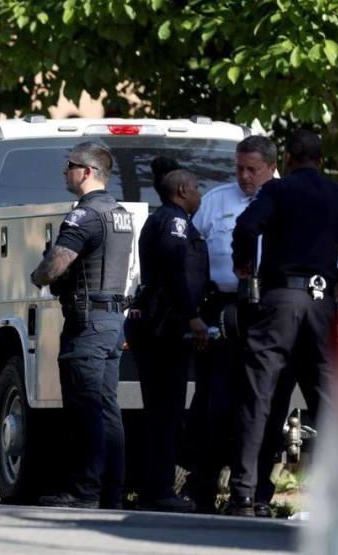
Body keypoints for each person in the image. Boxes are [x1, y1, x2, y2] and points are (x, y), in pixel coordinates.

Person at [226, 130, 338, 516]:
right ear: (320, 159)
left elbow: (246, 228)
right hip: (322, 302)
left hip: (280, 302)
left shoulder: (279, 192)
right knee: (327, 401)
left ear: (288, 159)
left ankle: (245, 493)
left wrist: (243, 265)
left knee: (259, 396)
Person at [183, 135, 294, 516]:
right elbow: (192, 253)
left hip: (273, 310)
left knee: (267, 404)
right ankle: (203, 488)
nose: (244, 177)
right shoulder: (216, 201)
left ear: (272, 166)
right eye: (239, 168)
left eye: (253, 169)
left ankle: (256, 493)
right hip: (226, 309)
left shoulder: (288, 199)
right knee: (216, 403)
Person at [30, 141, 133, 509]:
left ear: (87, 171)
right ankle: (111, 492)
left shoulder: (84, 216)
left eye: (69, 165)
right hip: (110, 322)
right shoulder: (119, 213)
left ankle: (82, 492)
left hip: (86, 323)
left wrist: (38, 275)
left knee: (84, 409)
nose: (64, 171)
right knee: (107, 408)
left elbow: (55, 265)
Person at [128, 167, 208, 512]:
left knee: (163, 412)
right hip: (165, 328)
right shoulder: (173, 221)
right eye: (195, 187)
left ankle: (155, 488)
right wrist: (192, 315)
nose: (199, 193)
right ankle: (159, 491)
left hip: (163, 325)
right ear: (181, 190)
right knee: (166, 412)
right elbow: (176, 266)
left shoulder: (167, 217)